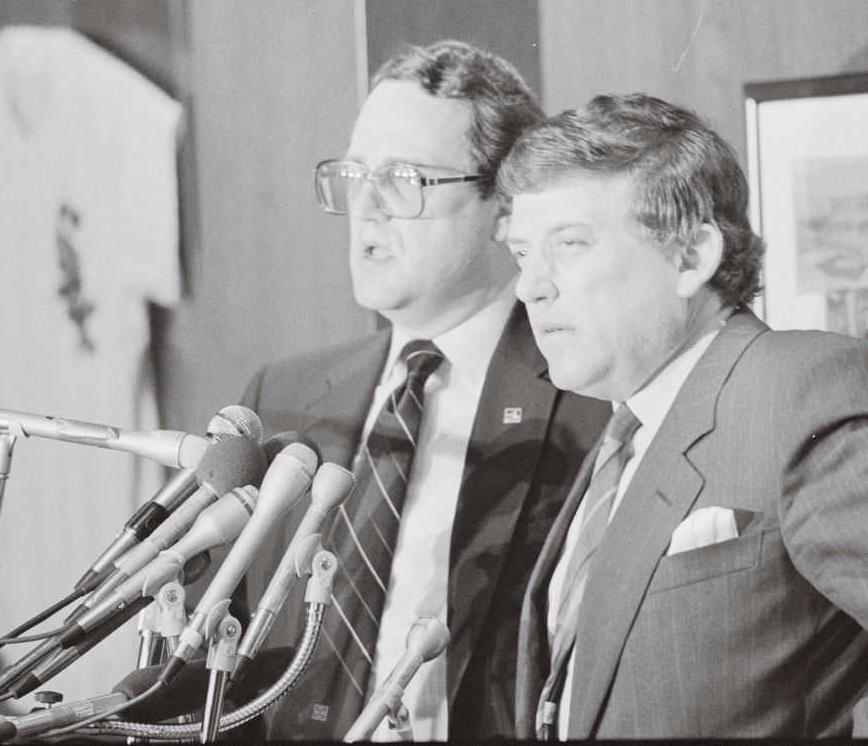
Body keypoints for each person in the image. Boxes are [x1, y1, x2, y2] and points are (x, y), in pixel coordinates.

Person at [499, 92, 868, 738]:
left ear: (691, 257)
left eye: (569, 243)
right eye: (520, 253)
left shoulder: (797, 388)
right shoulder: (625, 429)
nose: (531, 284)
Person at [238, 41, 607, 740]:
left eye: (403, 178)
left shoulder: (587, 400)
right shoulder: (283, 395)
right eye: (355, 174)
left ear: (503, 206)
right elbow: (215, 650)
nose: (365, 208)